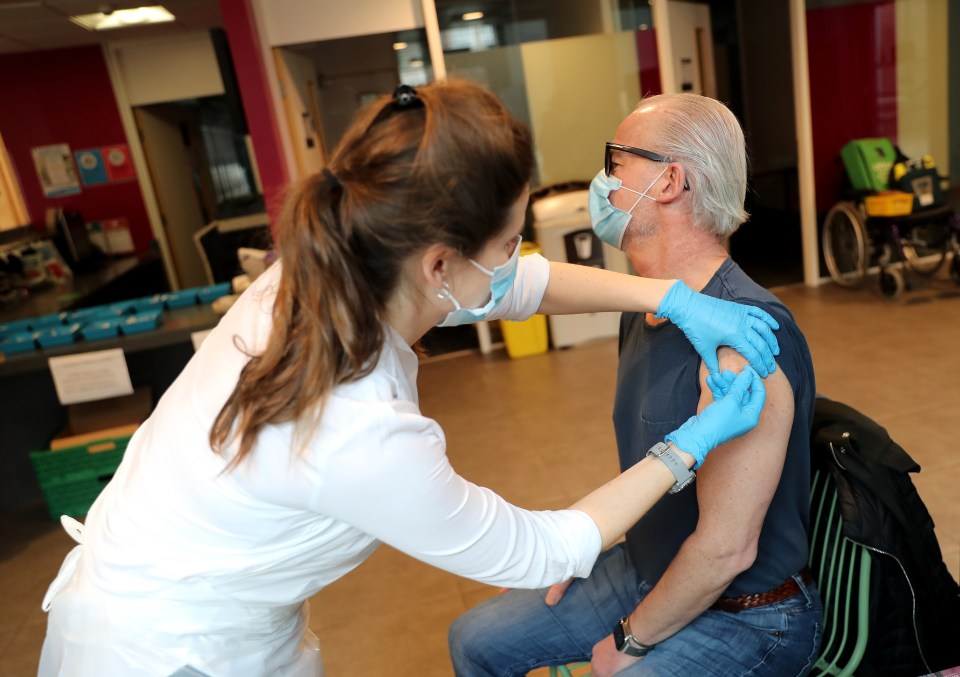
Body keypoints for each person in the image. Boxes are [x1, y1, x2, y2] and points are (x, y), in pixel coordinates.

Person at [38, 81, 776, 677]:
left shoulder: (331, 265)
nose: (516, 255)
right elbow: (544, 548)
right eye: (509, 237)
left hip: (217, 602)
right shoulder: (357, 430)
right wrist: (689, 444)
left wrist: (668, 298)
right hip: (166, 647)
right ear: (438, 264)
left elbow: (511, 284)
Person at [449, 93, 821, 676]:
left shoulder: (742, 336)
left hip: (745, 611)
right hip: (647, 563)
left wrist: (630, 640)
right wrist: (572, 548)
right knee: (475, 638)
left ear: (670, 181)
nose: (602, 181)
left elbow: (727, 549)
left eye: (615, 162)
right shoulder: (644, 305)